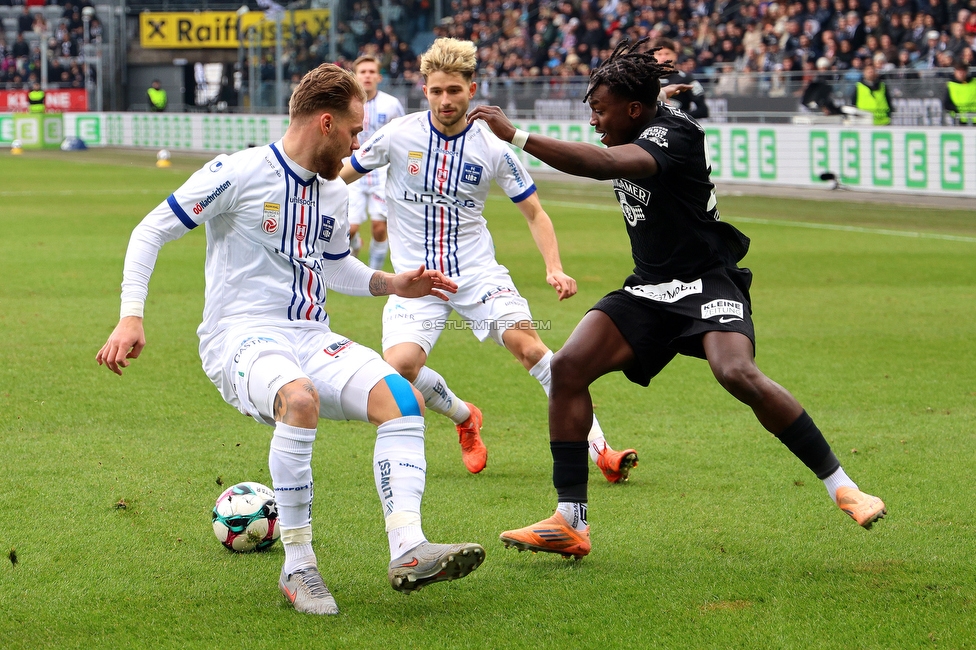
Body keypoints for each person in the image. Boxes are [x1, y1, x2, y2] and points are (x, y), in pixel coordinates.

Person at [468, 38, 887, 560]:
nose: (595, 120)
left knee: (736, 373)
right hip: (649, 288)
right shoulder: (645, 115)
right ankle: (570, 521)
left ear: (634, 110)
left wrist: (517, 135)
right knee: (569, 366)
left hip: (707, 281)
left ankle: (843, 486)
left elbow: (603, 163)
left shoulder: (674, 135)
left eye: (600, 110)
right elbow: (623, 122)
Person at [96, 63, 484, 615]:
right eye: (353, 131)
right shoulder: (239, 171)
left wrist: (394, 282)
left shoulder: (333, 193)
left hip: (310, 334)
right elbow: (151, 229)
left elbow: (336, 267)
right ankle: (298, 567)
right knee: (297, 398)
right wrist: (130, 316)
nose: (358, 143)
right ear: (325, 123)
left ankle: (409, 549)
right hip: (239, 337)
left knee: (403, 399)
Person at [341, 38, 639, 483]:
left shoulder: (494, 146)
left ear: (472, 89)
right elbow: (341, 176)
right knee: (399, 369)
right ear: (425, 90)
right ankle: (465, 417)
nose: (446, 100)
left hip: (478, 274)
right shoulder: (397, 135)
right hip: (416, 280)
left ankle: (602, 450)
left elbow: (535, 212)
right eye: (437, 91)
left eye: (454, 91)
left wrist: (553, 266)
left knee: (532, 348)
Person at [346, 55, 405, 269]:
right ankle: (355, 244)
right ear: (355, 76)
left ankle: (373, 273)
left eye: (371, 72)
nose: (367, 76)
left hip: (381, 172)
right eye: (363, 72)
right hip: (352, 170)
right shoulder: (346, 104)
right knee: (349, 228)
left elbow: (402, 136)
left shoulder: (391, 104)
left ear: (379, 76)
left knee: (379, 228)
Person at [652, 38, 709, 119]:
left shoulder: (686, 79)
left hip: (677, 129)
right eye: (659, 54)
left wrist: (675, 115)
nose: (663, 58)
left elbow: (703, 110)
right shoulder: (646, 80)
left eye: (667, 53)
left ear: (675, 56)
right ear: (653, 56)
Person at [944, 59, 976, 125]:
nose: (961, 74)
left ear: (967, 72)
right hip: (958, 119)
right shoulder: (951, 85)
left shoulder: (974, 82)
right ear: (955, 72)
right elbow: (946, 103)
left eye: (963, 71)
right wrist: (956, 110)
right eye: (959, 71)